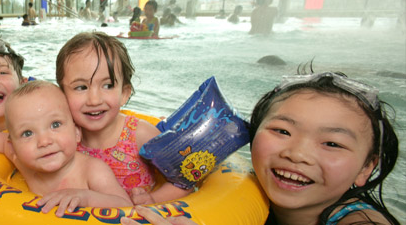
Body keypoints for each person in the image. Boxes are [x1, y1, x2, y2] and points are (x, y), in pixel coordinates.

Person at [122, 72, 400, 225]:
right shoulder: (252, 196)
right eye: (282, 131)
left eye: (332, 143)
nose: (297, 153)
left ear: (366, 168)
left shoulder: (361, 221)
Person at [55, 32, 190, 204]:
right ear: (62, 94)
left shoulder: (141, 135)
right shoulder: (63, 138)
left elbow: (184, 179)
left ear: (124, 93)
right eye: (81, 87)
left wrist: (153, 199)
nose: (94, 100)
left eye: (108, 85)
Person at [3, 80, 132, 216]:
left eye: (55, 125)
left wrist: (86, 198)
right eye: (27, 133)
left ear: (77, 133)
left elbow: (126, 206)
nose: (44, 141)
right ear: (13, 148)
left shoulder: (91, 170)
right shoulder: (24, 165)